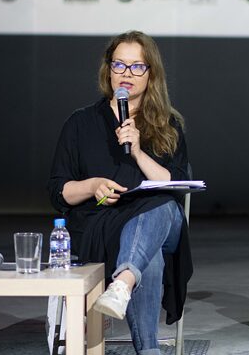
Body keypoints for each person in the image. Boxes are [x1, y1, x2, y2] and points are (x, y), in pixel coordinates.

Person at [48, 31, 192, 355]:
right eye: (119, 65)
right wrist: (91, 186)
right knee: (148, 255)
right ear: (108, 69)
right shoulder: (80, 123)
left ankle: (122, 283)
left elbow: (178, 185)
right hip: (100, 225)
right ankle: (146, 342)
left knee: (161, 206)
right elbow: (58, 192)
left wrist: (138, 152)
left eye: (137, 66)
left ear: (151, 73)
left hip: (158, 221)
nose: (126, 73)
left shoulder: (167, 125)